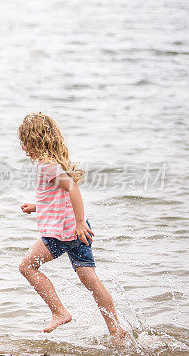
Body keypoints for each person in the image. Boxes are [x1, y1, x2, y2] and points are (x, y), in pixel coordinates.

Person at [17, 112, 126, 343]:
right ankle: (116, 330)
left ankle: (59, 312)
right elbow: (58, 198)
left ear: (33, 139)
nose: (23, 145)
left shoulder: (46, 166)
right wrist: (38, 206)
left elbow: (73, 189)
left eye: (24, 140)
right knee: (91, 281)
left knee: (27, 267)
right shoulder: (53, 164)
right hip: (75, 232)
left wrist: (78, 222)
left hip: (62, 232)